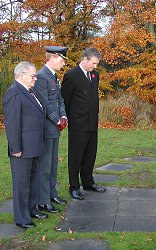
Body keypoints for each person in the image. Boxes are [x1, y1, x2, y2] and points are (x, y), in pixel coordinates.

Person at [3, 61, 48, 229]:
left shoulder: (31, 91)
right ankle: (22, 218)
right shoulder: (14, 92)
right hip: (22, 148)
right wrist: (16, 148)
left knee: (32, 180)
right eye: (32, 75)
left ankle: (32, 208)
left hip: (34, 146)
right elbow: (12, 122)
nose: (35, 78)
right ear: (22, 75)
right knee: (21, 184)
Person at [61, 47, 106, 200]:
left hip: (92, 122)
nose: (95, 66)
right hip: (77, 124)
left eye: (96, 64)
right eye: (93, 63)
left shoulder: (95, 75)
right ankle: (74, 187)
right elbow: (65, 100)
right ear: (85, 60)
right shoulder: (71, 76)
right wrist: (66, 119)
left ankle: (88, 182)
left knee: (90, 155)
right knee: (76, 156)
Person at [33, 46, 68, 213]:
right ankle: (43, 200)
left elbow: (60, 99)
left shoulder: (54, 76)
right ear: (52, 58)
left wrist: (63, 117)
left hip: (55, 128)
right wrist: (56, 120)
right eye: (61, 61)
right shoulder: (41, 77)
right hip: (47, 128)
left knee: (53, 164)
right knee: (44, 166)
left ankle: (52, 193)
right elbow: (44, 104)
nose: (62, 64)